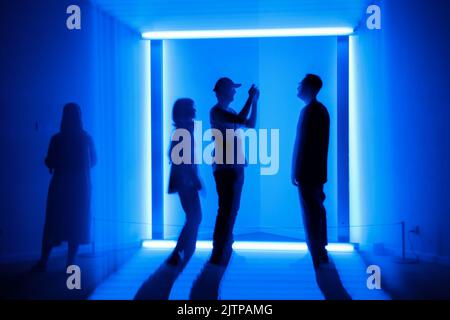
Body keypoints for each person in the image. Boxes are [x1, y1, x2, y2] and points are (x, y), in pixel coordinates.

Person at [32, 103, 97, 272]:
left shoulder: (57, 139)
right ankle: (70, 262)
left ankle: (44, 261)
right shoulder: (86, 138)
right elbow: (95, 161)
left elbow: (50, 160)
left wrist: (53, 163)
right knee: (76, 223)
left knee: (54, 222)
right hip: (81, 187)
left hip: (60, 186)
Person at [209, 77, 259, 265]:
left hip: (236, 167)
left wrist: (254, 102)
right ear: (223, 91)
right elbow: (240, 119)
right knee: (226, 210)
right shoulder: (216, 112)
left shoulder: (228, 111)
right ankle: (218, 250)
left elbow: (250, 124)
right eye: (232, 89)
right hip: (225, 168)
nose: (235, 92)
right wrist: (250, 99)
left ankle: (225, 246)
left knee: (232, 209)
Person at [292, 74, 330, 269]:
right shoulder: (322, 110)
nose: (298, 86)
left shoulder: (308, 111)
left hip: (307, 172)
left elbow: (301, 143)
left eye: (301, 83)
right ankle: (320, 249)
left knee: (311, 212)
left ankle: (317, 251)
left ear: (308, 88)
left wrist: (295, 170)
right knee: (317, 209)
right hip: (317, 171)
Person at [166, 98, 202, 266]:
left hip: (184, 180)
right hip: (185, 181)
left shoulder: (184, 130)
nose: (194, 110)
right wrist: (195, 179)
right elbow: (184, 160)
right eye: (191, 108)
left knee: (193, 216)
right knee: (195, 217)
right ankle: (180, 252)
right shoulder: (184, 132)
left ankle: (186, 250)